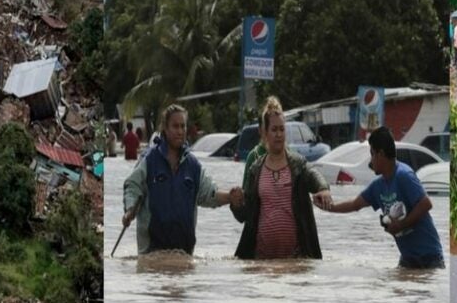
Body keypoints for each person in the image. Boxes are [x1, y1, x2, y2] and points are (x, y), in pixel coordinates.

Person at [122, 104, 240, 255]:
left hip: (184, 254)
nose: (180, 131)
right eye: (175, 126)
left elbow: (209, 194)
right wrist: (130, 210)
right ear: (165, 127)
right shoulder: (149, 160)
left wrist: (230, 196)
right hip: (151, 254)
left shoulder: (193, 165)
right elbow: (132, 186)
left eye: (183, 126)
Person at [325, 127, 444, 269]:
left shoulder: (403, 175)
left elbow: (426, 204)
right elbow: (354, 204)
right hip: (407, 259)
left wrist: (400, 225)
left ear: (380, 154)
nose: (371, 161)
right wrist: (327, 206)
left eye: (372, 154)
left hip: (429, 258)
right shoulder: (378, 186)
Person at [230, 103, 332, 259]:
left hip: (296, 258)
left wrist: (324, 189)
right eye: (274, 129)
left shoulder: (297, 164)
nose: (278, 134)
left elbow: (313, 174)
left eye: (282, 129)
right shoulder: (256, 169)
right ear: (265, 133)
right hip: (261, 259)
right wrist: (236, 204)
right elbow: (245, 215)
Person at [242, 96, 282, 193]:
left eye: (280, 129)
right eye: (272, 129)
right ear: (261, 130)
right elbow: (246, 196)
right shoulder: (254, 157)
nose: (277, 134)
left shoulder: (291, 156)